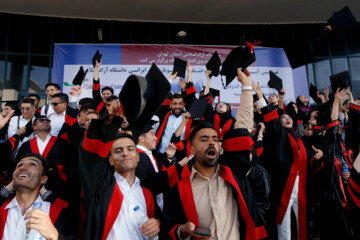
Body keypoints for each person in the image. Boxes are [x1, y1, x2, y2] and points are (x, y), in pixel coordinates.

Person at [163, 68, 268, 240]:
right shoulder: (179, 189)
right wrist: (183, 230)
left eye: (215, 139)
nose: (211, 142)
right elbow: (169, 225)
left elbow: (242, 127)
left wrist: (247, 87)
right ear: (192, 150)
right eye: (204, 139)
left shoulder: (234, 173)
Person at [80, 132, 161, 239]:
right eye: (118, 151)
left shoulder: (147, 194)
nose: (125, 153)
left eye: (130, 149)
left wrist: (157, 223)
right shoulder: (99, 189)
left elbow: (157, 220)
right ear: (111, 160)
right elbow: (88, 158)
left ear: (138, 157)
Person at [0, 153, 74, 239]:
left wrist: (55, 236)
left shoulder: (60, 214)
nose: (22, 168)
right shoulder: (2, 207)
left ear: (43, 179)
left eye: (32, 164)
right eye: (19, 165)